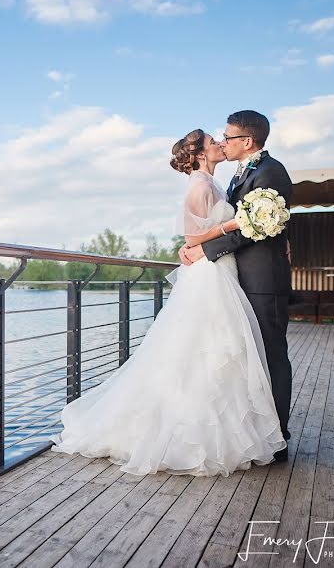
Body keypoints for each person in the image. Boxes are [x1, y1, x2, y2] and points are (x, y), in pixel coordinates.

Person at [51, 128, 286, 476]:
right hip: (210, 273)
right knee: (208, 348)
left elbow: (203, 232)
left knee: (218, 350)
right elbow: (193, 235)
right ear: (202, 154)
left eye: (223, 139)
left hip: (222, 269)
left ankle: (226, 426)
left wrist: (236, 225)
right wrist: (235, 223)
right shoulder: (200, 186)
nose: (220, 144)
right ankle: (194, 434)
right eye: (213, 142)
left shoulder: (214, 182)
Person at [181, 110, 293, 460]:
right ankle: (257, 431)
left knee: (271, 355)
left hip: (263, 281)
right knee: (249, 357)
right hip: (239, 279)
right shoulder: (241, 174)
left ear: (247, 141)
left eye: (227, 137)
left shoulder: (270, 172)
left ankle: (278, 438)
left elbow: (255, 226)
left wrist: (203, 250)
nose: (223, 141)